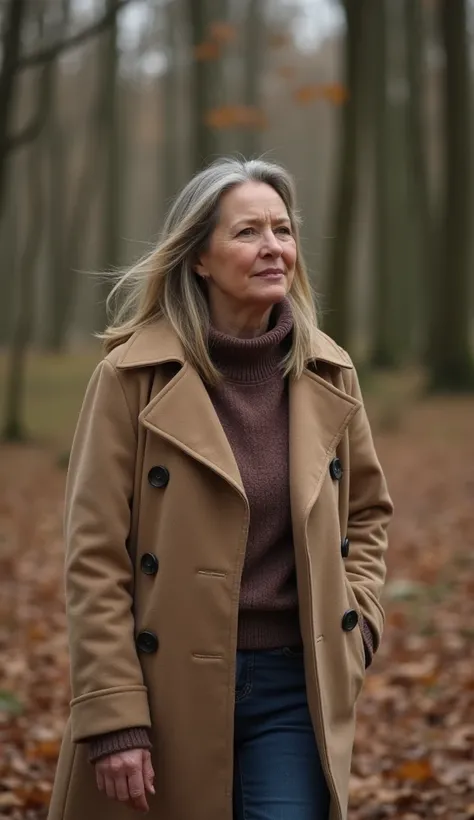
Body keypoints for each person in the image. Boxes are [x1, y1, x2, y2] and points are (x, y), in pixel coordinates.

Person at [47, 157, 393, 820]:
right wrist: (114, 712)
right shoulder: (129, 377)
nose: (274, 248)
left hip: (295, 685)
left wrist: (359, 625)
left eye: (283, 230)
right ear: (199, 258)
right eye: (247, 233)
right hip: (164, 684)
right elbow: (93, 557)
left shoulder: (330, 371)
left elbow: (370, 512)